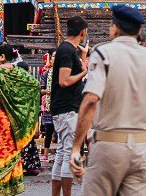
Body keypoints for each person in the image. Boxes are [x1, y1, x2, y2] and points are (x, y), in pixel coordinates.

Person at [70, 5, 146, 196]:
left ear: (115, 27)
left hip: (109, 144)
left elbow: (90, 100)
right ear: (139, 31)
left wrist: (76, 148)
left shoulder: (103, 53)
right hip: (141, 146)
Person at [0, 43, 41, 196]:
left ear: (2, 57)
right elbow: (35, 86)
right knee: (9, 155)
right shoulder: (18, 73)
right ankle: (8, 191)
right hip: (12, 121)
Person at [52, 17, 90, 196]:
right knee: (68, 152)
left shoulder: (69, 49)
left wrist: (82, 58)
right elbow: (64, 81)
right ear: (83, 32)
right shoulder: (67, 50)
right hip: (67, 108)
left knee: (62, 152)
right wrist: (85, 72)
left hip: (65, 108)